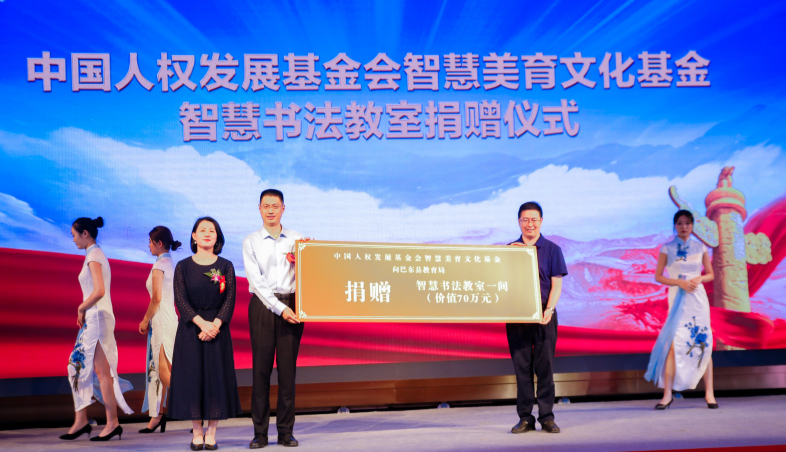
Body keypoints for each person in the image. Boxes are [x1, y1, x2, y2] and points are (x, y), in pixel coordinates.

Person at [168, 217, 241, 450]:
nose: (207, 233)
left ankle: (211, 432)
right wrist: (202, 324)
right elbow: (180, 299)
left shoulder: (226, 266)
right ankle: (197, 432)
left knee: (215, 380)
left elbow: (230, 299)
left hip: (218, 330)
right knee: (192, 379)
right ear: (194, 236)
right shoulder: (183, 266)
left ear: (217, 236)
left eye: (212, 230)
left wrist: (214, 326)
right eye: (202, 230)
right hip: (191, 329)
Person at [243, 189, 307, 449]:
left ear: (283, 209)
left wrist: (309, 257)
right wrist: (279, 308)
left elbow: (309, 273)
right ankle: (260, 433)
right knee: (261, 372)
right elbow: (257, 282)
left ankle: (285, 432)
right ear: (259, 209)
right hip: (263, 307)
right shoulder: (251, 241)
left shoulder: (297, 239)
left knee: (288, 373)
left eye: (275, 206)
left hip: (293, 306)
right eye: (266, 206)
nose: (270, 210)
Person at [60, 217, 133, 442]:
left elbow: (99, 290)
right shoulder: (95, 254)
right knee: (99, 372)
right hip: (98, 317)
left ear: (85, 233)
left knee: (78, 366)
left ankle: (97, 421)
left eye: (74, 235)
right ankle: (103, 422)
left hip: (96, 317)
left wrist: (81, 307)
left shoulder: (93, 255)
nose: (73, 240)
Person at [645, 210, 717, 409]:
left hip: (698, 299)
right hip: (678, 298)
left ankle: (709, 393)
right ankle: (667, 394)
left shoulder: (700, 247)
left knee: (704, 344)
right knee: (674, 345)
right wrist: (679, 282)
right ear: (674, 226)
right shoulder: (667, 248)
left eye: (687, 223)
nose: (684, 226)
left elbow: (710, 274)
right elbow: (659, 276)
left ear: (692, 225)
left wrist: (699, 278)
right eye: (679, 223)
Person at [507, 202, 568, 434]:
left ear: (541, 221)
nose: (529, 224)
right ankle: (525, 418)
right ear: (519, 222)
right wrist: (510, 256)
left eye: (534, 219)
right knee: (522, 369)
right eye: (525, 220)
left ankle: (547, 417)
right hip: (517, 315)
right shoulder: (509, 250)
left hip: (544, 313)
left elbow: (556, 284)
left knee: (545, 368)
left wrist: (549, 309)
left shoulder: (552, 249)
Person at [138, 226, 181, 434]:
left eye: (150, 241)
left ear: (159, 243)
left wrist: (145, 320)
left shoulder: (159, 266)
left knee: (164, 372)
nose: (148, 245)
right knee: (158, 369)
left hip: (162, 321)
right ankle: (157, 416)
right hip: (168, 319)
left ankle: (197, 409)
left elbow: (156, 298)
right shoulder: (172, 264)